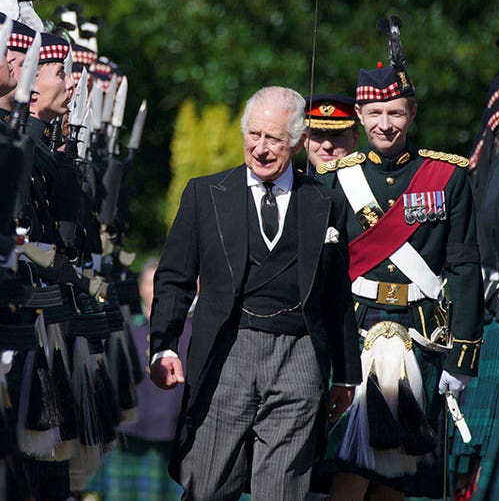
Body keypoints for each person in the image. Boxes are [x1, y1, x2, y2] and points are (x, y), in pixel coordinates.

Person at [149, 85, 360, 501]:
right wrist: (164, 347)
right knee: (207, 485)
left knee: (282, 491)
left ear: (298, 142)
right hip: (227, 351)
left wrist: (345, 374)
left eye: (274, 139)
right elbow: (173, 277)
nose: (261, 149)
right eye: (254, 135)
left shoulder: (325, 202)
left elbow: (336, 294)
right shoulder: (205, 194)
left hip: (299, 355)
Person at [322, 23, 482, 501]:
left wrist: (463, 356)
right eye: (374, 113)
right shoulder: (337, 180)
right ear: (360, 115)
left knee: (398, 476)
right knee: (347, 468)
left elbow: (465, 267)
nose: (384, 124)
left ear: (411, 113)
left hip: (421, 334)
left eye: (395, 112)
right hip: (353, 334)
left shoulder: (447, 177)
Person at [86, 257, 192, 501]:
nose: (155, 290)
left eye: (161, 283)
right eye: (150, 283)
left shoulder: (189, 328)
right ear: (140, 288)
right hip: (129, 431)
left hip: (173, 433)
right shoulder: (124, 327)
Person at [303, 93, 359, 176]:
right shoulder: (290, 187)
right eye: (318, 135)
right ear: (303, 139)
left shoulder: (368, 185)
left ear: (355, 138)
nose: (327, 146)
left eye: (336, 135)